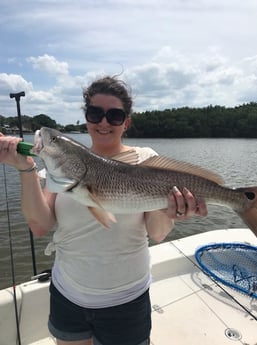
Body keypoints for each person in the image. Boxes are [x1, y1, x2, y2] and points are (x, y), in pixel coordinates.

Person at [0, 76, 208, 345]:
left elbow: (156, 233)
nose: (103, 122)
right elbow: (39, 226)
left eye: (115, 115)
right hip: (67, 297)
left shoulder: (146, 161)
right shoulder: (63, 167)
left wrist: (172, 211)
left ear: (127, 121)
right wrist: (26, 167)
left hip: (126, 302)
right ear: (86, 117)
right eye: (95, 113)